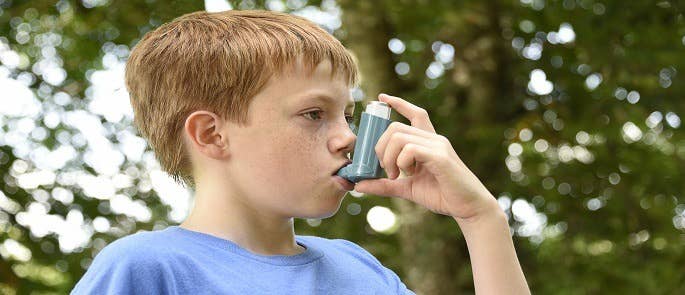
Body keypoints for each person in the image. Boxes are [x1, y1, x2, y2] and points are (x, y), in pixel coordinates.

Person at [71, 9, 530, 295]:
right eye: (314, 114)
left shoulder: (359, 270)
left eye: (348, 116)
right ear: (212, 134)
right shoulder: (147, 270)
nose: (348, 138)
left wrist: (480, 219)